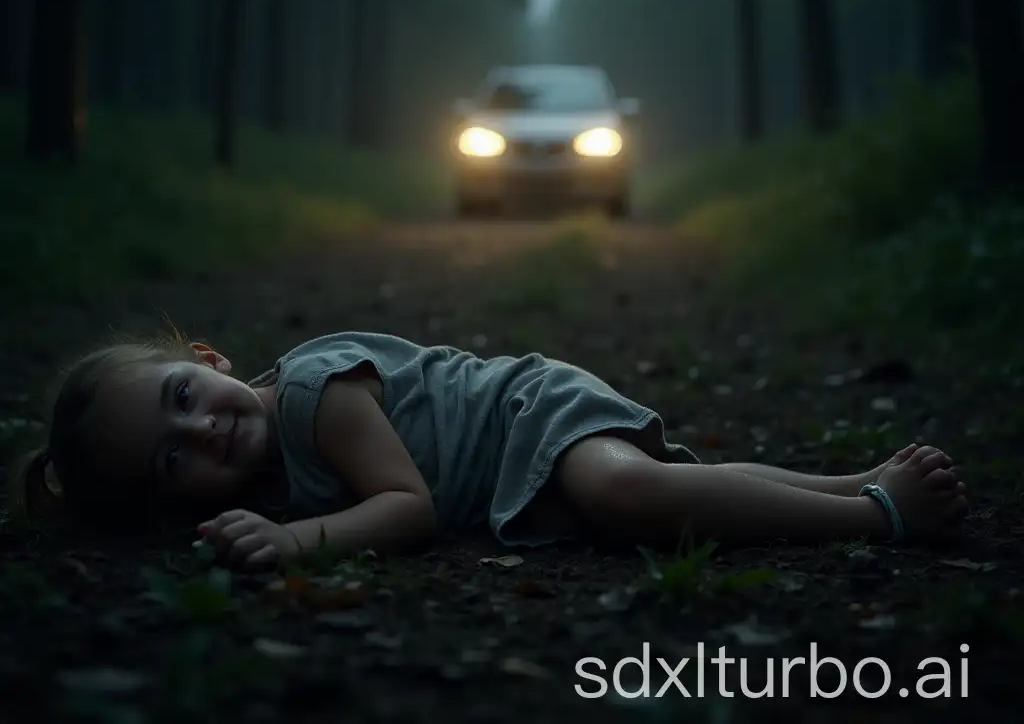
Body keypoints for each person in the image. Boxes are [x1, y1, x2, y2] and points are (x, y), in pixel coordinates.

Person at [10, 331, 969, 571]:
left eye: (185, 396)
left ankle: (874, 517)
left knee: (630, 492)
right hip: (509, 481)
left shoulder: (309, 392)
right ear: (170, 503)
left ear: (208, 359)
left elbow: (408, 508)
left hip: (522, 415)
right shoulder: (260, 474)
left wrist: (294, 543)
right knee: (665, 496)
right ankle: (851, 478)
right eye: (171, 461)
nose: (201, 429)